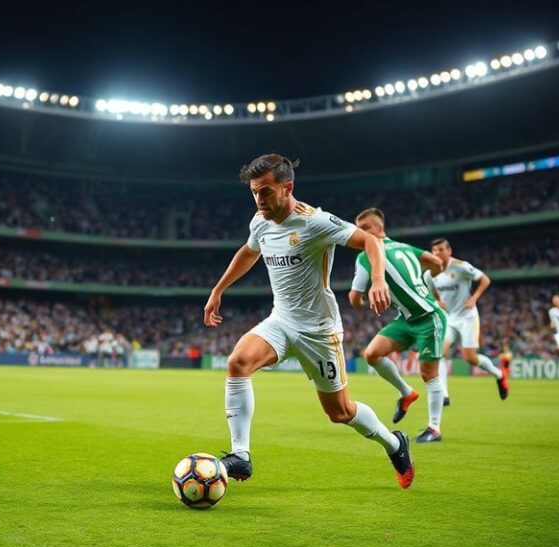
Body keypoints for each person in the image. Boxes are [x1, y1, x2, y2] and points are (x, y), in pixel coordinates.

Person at [203, 154, 414, 490]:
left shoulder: (315, 222)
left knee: (340, 412)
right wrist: (218, 290)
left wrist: (378, 280)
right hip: (281, 320)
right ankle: (241, 454)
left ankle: (394, 443)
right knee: (238, 362)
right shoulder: (260, 221)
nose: (260, 200)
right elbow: (248, 251)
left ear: (288, 188)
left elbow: (370, 240)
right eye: (255, 192)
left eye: (266, 192)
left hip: (318, 331)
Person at [348, 208, 447, 443]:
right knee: (372, 354)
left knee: (428, 373)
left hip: (428, 316)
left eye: (366, 228)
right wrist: (425, 284)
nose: (361, 234)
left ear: (380, 228)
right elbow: (437, 264)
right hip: (406, 318)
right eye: (358, 230)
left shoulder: (364, 256)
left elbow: (354, 297)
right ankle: (406, 393)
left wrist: (363, 301)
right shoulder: (405, 247)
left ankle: (434, 428)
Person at [424, 238, 509, 403]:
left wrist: (474, 298)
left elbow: (485, 279)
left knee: (470, 358)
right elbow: (431, 291)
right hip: (449, 318)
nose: (437, 253)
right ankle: (444, 395)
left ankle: (499, 375)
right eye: (434, 251)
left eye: (441, 250)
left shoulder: (461, 266)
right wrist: (437, 301)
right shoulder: (429, 273)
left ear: (449, 251)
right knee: (438, 353)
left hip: (467, 317)